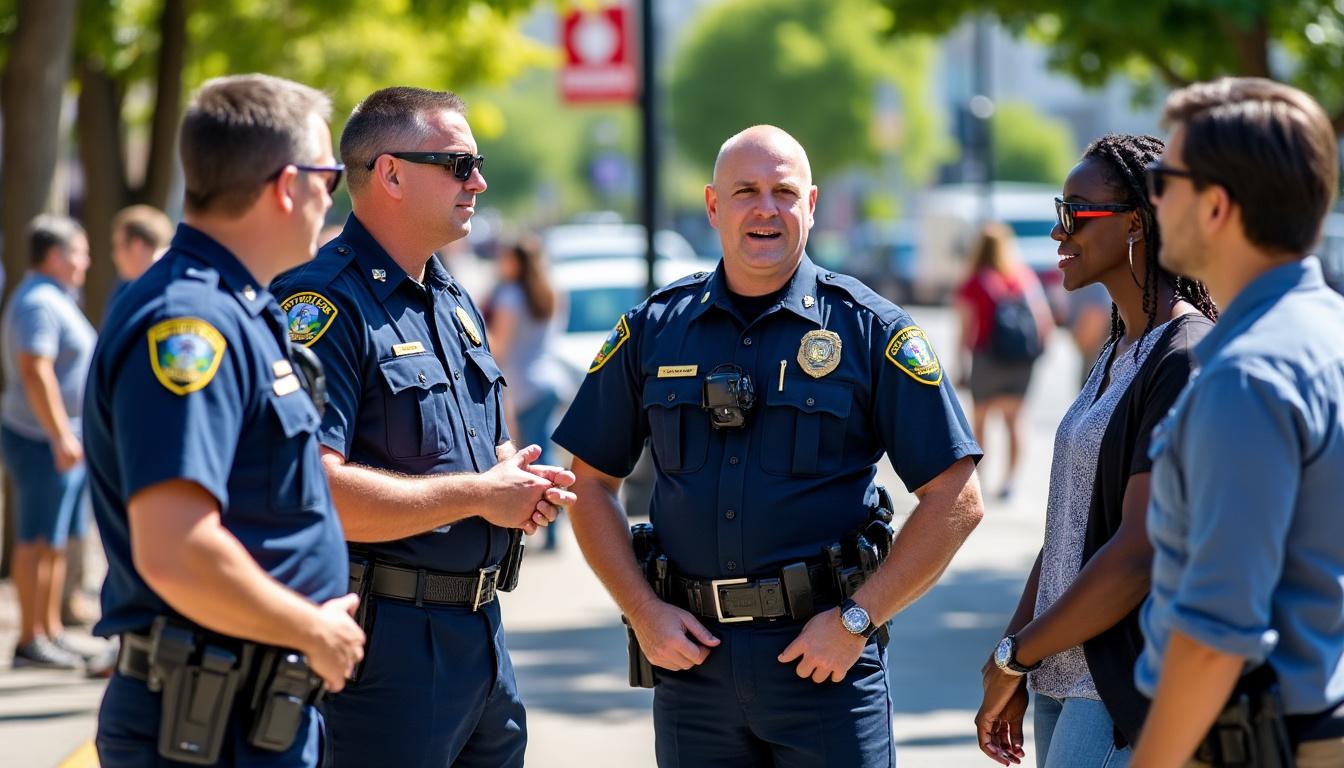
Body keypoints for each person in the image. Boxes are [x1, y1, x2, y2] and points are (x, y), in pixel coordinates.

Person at [554, 125, 985, 767]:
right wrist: (643, 612)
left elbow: (957, 496)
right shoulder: (655, 330)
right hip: (693, 668)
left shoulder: (870, 330)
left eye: (784, 192)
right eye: (746, 191)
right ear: (712, 206)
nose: (765, 209)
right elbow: (587, 483)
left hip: (825, 669)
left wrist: (856, 621)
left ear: (811, 204)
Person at [271, 86, 575, 768]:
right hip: (386, 648)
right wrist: (477, 495)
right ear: (392, 173)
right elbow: (317, 491)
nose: (479, 181)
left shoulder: (451, 295)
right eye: (459, 164)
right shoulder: (321, 304)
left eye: (477, 163)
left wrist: (515, 483)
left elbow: (481, 445)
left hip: (480, 634)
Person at [86, 73, 364, 767]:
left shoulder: (242, 308)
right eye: (330, 177)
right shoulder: (191, 325)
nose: (333, 199)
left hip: (248, 710)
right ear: (286, 185)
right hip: (206, 725)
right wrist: (313, 629)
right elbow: (175, 548)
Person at [972, 134, 1219, 767]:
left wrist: (1017, 655)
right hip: (1060, 676)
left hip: (1118, 689)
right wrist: (1013, 655)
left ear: (1137, 221)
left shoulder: (1183, 357)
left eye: (1074, 213)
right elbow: (1068, 530)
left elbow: (1138, 554)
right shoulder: (1113, 351)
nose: (1059, 233)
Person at [1131, 78, 1344, 767]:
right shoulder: (1329, 333)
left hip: (1267, 741)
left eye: (1165, 178)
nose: (1154, 197)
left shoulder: (1246, 377)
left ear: (1217, 205)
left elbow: (1216, 633)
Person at [1, 214, 97, 669]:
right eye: (79, 251)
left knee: (55, 538)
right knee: (36, 538)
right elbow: (34, 369)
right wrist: (60, 434)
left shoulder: (56, 298)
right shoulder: (39, 302)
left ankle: (50, 631)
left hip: (61, 440)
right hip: (41, 439)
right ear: (56, 256)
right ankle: (29, 638)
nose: (86, 261)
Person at [954, 225, 1052, 500]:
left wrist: (961, 363)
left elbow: (965, 329)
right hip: (1021, 361)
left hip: (987, 358)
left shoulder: (974, 282)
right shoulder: (1024, 278)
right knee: (1014, 421)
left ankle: (980, 479)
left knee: (981, 420)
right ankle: (1010, 483)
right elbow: (1044, 321)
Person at [486, 234, 570, 550]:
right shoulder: (549, 290)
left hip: (523, 387)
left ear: (516, 261)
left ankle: (544, 522)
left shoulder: (510, 295)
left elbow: (500, 347)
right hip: (550, 381)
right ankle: (552, 526)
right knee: (546, 451)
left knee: (532, 456)